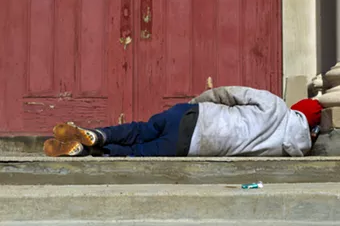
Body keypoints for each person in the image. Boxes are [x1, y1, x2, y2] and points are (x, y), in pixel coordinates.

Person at [43, 86, 323, 157]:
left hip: (195, 117)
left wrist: (194, 103)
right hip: (193, 147)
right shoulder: (285, 150)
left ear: (296, 109)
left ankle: (97, 134)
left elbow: (226, 94)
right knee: (136, 152)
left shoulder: (275, 104)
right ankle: (87, 152)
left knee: (141, 129)